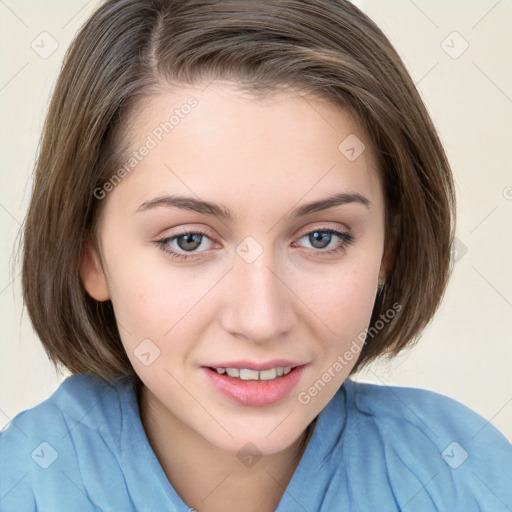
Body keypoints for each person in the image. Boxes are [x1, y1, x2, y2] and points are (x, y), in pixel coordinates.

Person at [1, 0, 510, 510]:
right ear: (88, 254)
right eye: (188, 241)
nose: (261, 320)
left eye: (321, 237)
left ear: (388, 247)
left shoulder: (468, 475)